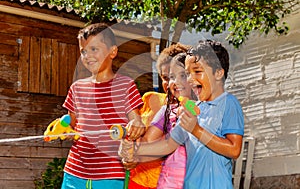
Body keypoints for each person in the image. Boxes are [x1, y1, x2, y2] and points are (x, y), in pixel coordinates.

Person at [120, 40, 244, 189]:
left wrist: (196, 130)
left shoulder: (229, 103)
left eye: (197, 72)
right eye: (188, 73)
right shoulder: (191, 109)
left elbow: (234, 149)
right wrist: (133, 149)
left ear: (218, 73)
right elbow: (167, 144)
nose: (191, 79)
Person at [60, 23, 145, 189]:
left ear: (113, 51)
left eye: (94, 49)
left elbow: (136, 123)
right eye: (83, 51)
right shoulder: (76, 88)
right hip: (74, 172)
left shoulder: (125, 85)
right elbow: (72, 127)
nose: (87, 56)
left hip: (111, 175)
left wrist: (137, 124)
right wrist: (64, 131)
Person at [126, 44, 190, 189]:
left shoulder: (195, 107)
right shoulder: (152, 100)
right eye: (166, 77)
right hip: (139, 180)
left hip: (170, 181)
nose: (169, 83)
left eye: (180, 75)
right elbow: (142, 137)